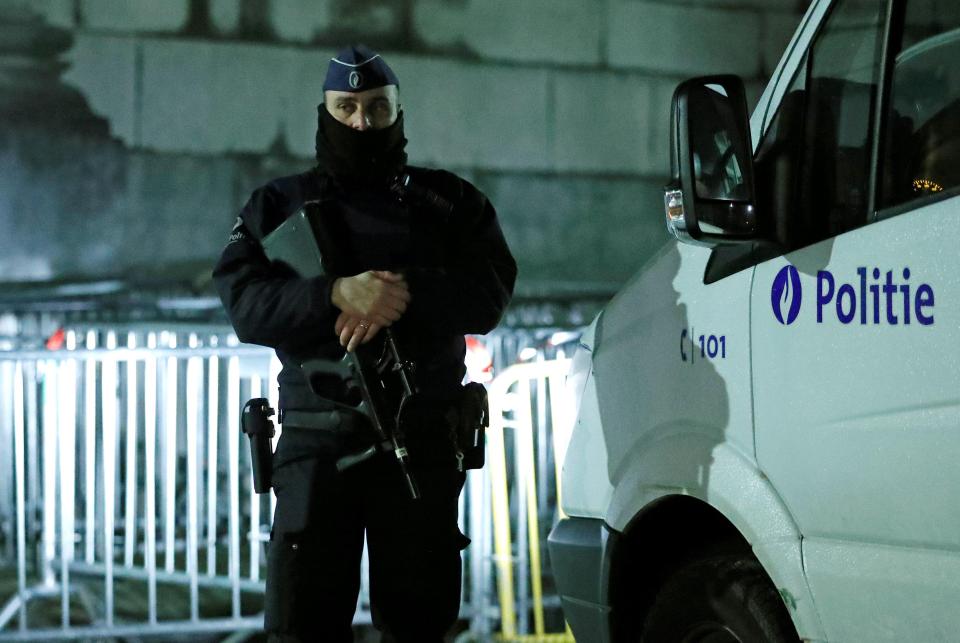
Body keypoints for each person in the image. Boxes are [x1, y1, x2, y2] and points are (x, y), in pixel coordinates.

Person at [212, 45, 517, 642]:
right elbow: (245, 304)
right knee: (303, 624)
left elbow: (489, 292)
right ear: (324, 112)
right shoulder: (278, 205)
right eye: (346, 107)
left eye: (377, 108)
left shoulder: (450, 204)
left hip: (421, 442)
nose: (361, 123)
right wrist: (333, 294)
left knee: (418, 624)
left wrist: (400, 293)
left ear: (398, 111)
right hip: (316, 448)